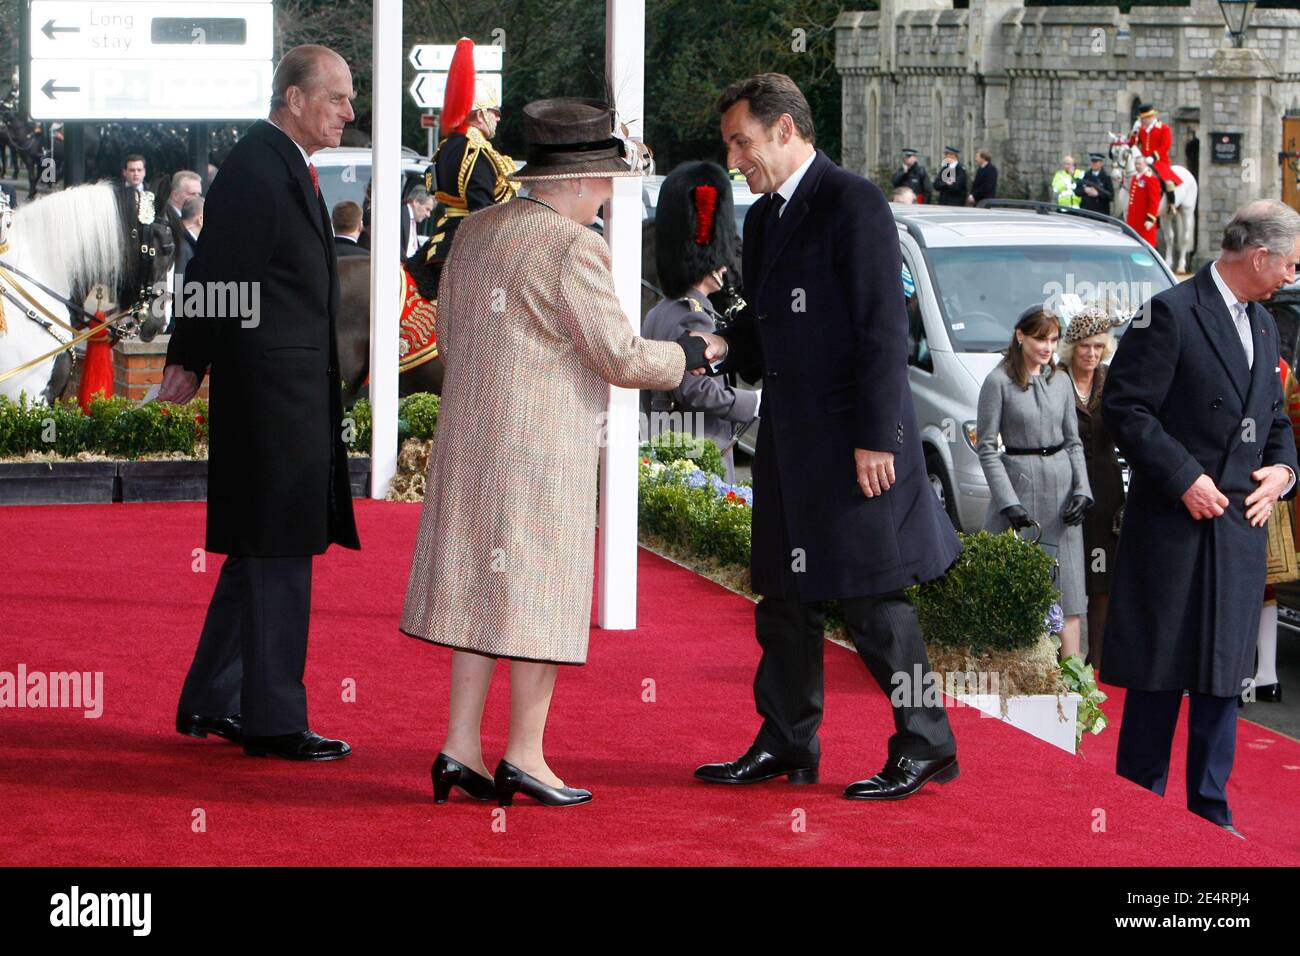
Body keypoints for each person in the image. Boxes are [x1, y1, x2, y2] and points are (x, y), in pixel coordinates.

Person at [400, 97, 711, 808]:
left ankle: (458, 747)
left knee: (480, 592)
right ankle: (526, 756)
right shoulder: (574, 246)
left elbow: (447, 336)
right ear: (574, 180)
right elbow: (621, 356)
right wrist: (691, 351)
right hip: (540, 451)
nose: (606, 194)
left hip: (469, 440)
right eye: (604, 179)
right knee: (540, 595)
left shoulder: (475, 231)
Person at [692, 73, 962, 800]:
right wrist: (717, 342)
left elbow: (884, 329)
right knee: (783, 597)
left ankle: (927, 741)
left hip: (856, 442)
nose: (736, 160)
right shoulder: (765, 218)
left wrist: (877, 437)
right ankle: (787, 740)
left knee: (874, 601)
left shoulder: (855, 202)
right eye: (729, 147)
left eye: (742, 143)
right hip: (789, 439)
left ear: (785, 130)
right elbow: (768, 325)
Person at [158, 44, 361, 761]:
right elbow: (222, 272)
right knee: (277, 550)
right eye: (336, 97)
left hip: (285, 390)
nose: (349, 110)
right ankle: (273, 720)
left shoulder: (278, 164)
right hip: (271, 395)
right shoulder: (257, 164)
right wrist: (187, 357)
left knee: (260, 551)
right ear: (294, 99)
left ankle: (214, 699)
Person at [1101, 199, 1300, 836]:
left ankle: (1210, 815)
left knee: (1223, 679)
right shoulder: (1170, 312)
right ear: (1260, 256)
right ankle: (1138, 809)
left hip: (1239, 529)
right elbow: (1127, 410)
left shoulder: (1266, 325)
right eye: (1290, 264)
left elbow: (1273, 419)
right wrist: (1184, 475)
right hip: (1174, 527)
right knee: (1160, 674)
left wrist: (1284, 473)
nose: (1293, 276)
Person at [977, 308, 1092, 659]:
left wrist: (1083, 490)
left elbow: (1074, 441)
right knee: (1015, 591)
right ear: (1020, 335)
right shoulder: (998, 381)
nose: (1048, 346)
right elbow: (986, 447)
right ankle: (1016, 671)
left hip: (1062, 493)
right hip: (1020, 491)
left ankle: (1074, 684)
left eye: (1054, 340)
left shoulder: (1060, 380)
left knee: (1070, 593)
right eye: (1041, 338)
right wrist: (1007, 501)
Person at [642, 161, 759, 482]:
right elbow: (695, 389)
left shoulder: (660, 310)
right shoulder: (694, 313)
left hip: (668, 442)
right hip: (701, 450)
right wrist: (754, 402)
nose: (724, 269)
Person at [407, 37, 517, 300]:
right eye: (494, 111)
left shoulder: (447, 146)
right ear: (480, 114)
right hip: (468, 248)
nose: (498, 117)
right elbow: (483, 213)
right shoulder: (476, 151)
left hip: (442, 238)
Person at [1058, 308, 1124, 673]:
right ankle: (1058, 655)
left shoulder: (1112, 381)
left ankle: (1097, 658)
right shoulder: (1055, 380)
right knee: (1064, 577)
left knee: (1101, 580)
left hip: (1105, 488)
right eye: (1085, 346)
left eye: (1098, 346)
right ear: (1072, 348)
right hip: (1064, 487)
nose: (1092, 353)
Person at [1127, 103, 1182, 196]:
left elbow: (1166, 146)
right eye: (1141, 119)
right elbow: (1132, 145)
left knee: (1167, 182)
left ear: (1150, 117)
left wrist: (1153, 157)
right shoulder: (1141, 129)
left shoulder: (1164, 128)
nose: (1142, 121)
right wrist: (1134, 132)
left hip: (1159, 161)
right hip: (1143, 160)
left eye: (1143, 119)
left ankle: (1171, 203)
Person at [1126, 154, 1161, 247]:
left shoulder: (1150, 178)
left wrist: (1150, 218)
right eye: (1136, 164)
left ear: (1145, 165)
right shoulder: (1135, 177)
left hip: (1144, 219)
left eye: (1139, 164)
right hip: (1134, 218)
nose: (1137, 166)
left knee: (1146, 244)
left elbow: (1154, 200)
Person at [401, 186, 433, 259]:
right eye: (427, 209)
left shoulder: (411, 219)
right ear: (415, 202)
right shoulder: (399, 215)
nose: (428, 215)